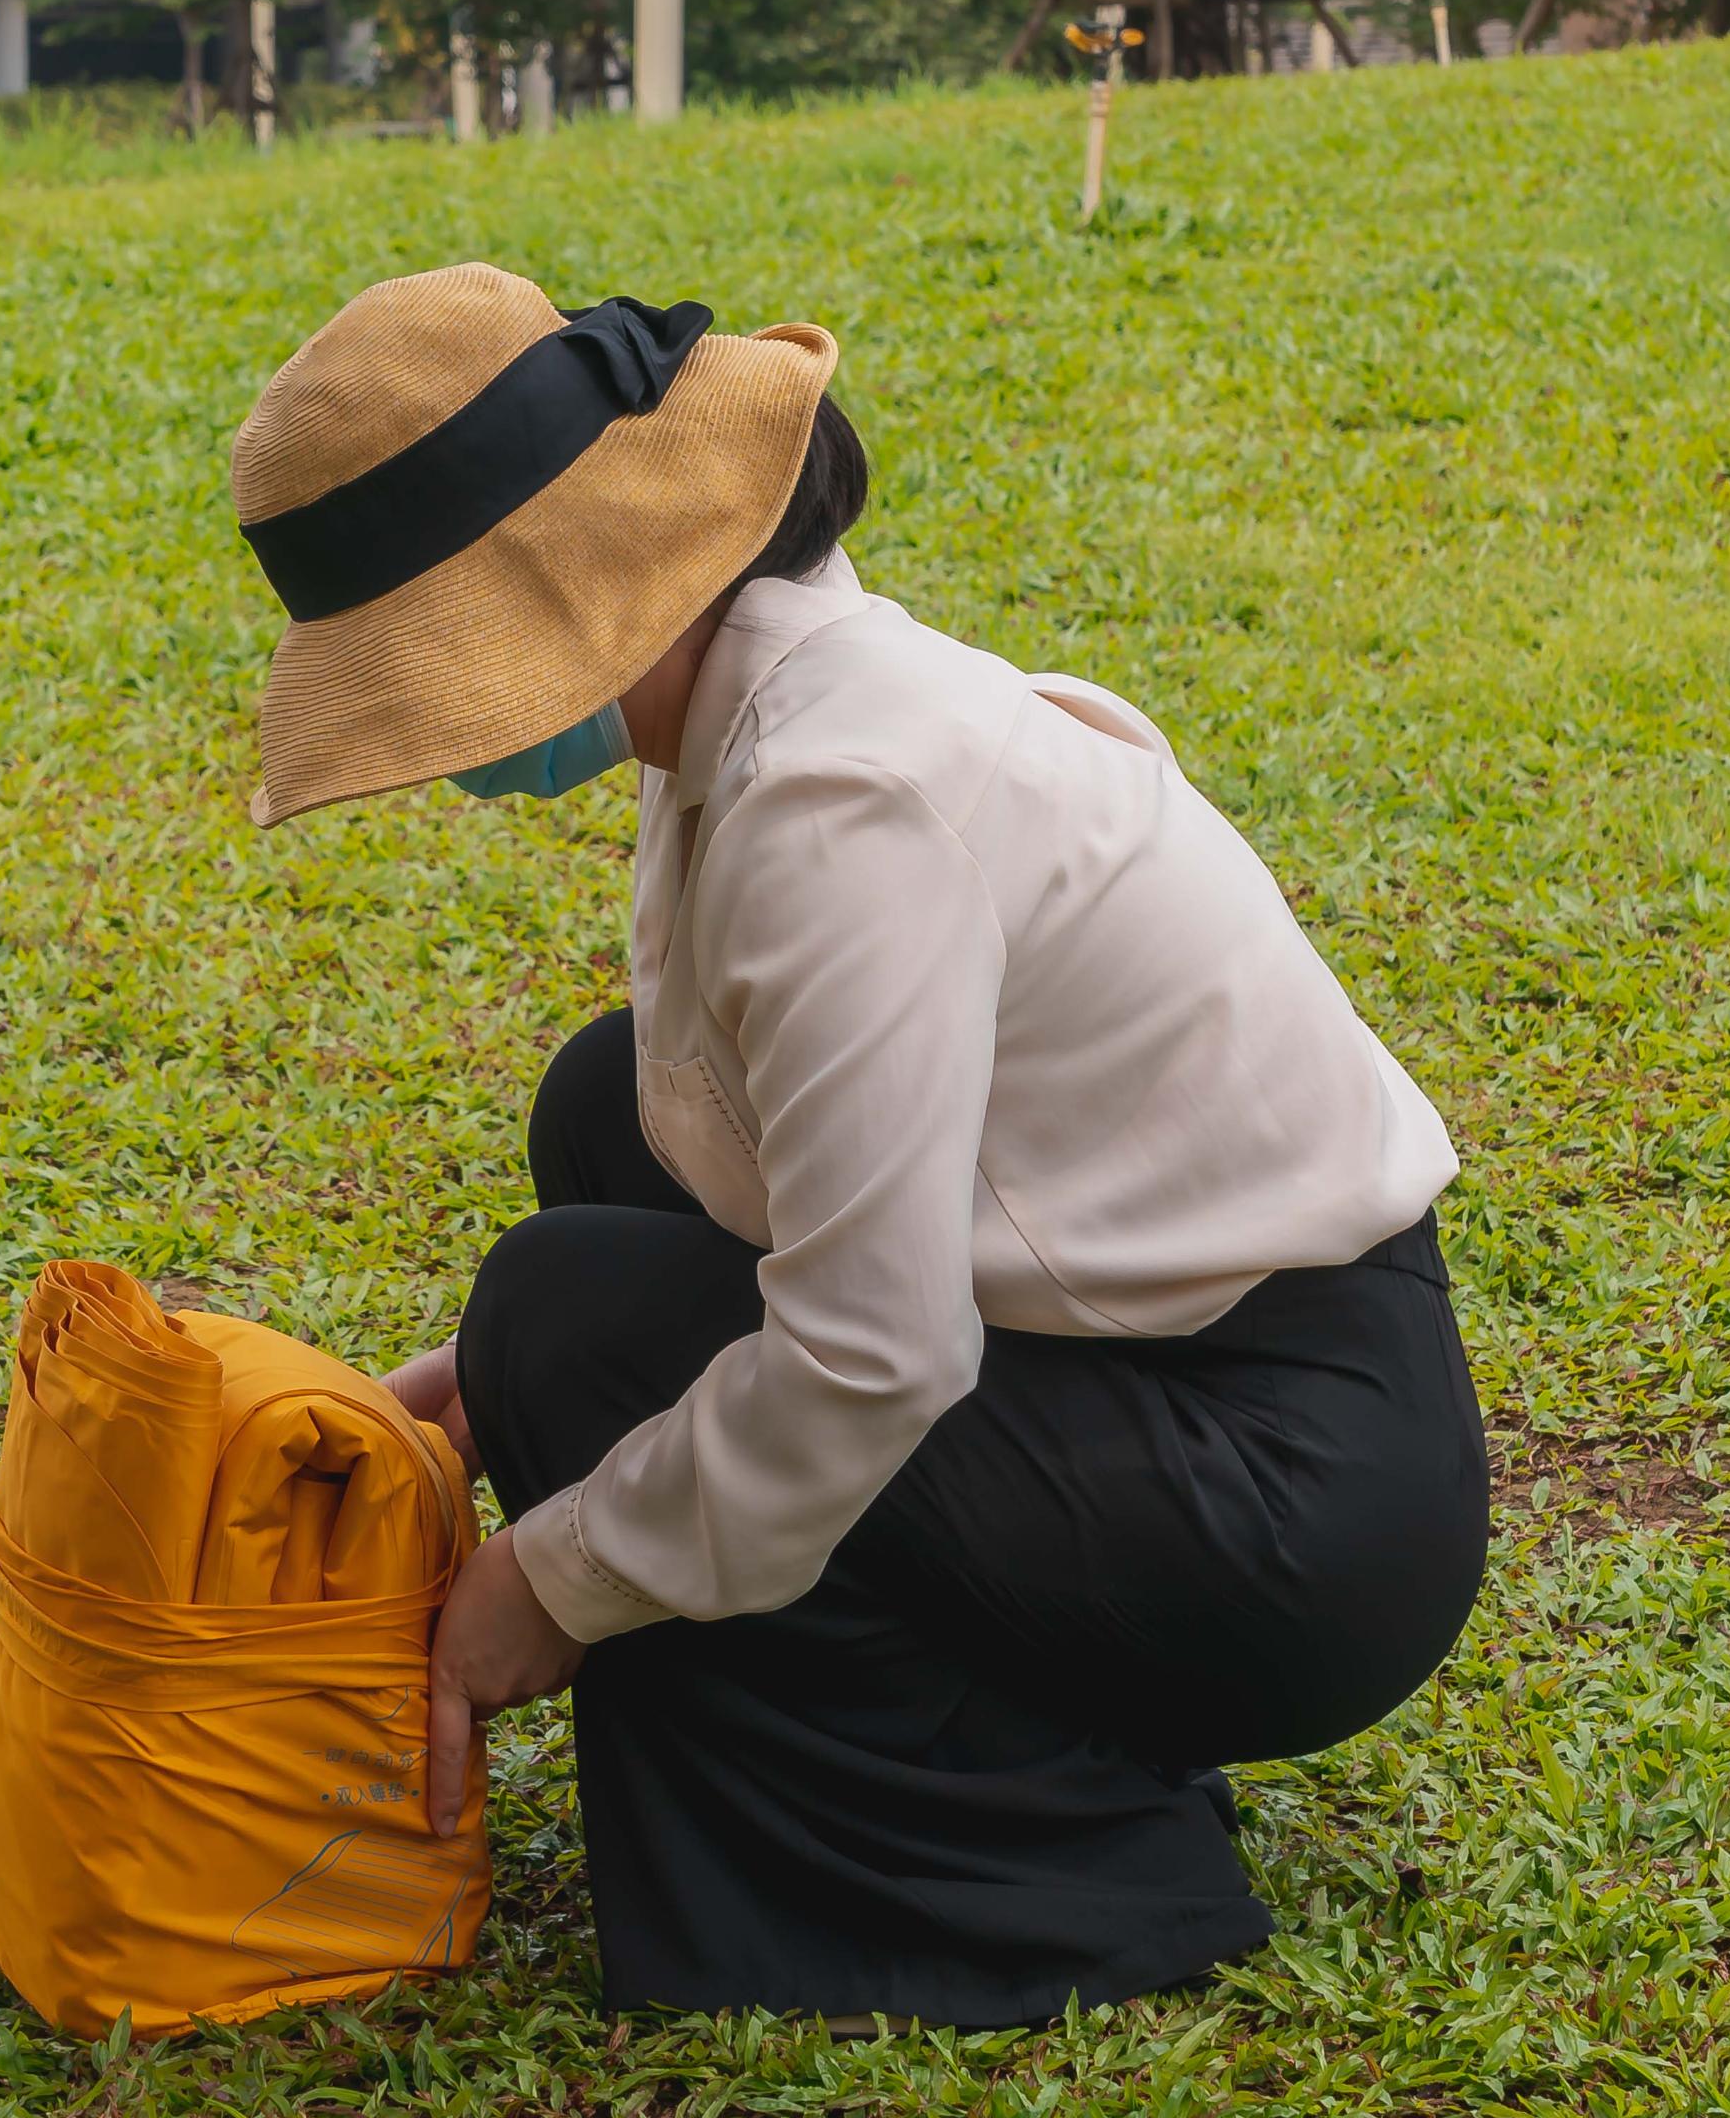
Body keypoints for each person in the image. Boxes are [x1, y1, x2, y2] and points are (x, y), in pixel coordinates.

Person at [232, 261, 1488, 2026]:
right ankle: (970, 1720)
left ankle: (1029, 1849)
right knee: (609, 1111)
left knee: (566, 1315)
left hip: (1293, 1501)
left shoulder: (843, 796)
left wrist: (553, 1576)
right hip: (1179, 1385)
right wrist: (468, 1389)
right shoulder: (763, 700)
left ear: (580, 590)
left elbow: (873, 1349)